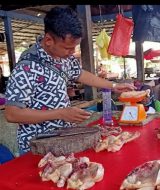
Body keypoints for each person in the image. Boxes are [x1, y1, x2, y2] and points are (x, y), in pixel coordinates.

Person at [4, 7, 135, 155]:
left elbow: (80, 74)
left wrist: (114, 86)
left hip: (64, 140)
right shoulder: (26, 68)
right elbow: (12, 113)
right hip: (37, 148)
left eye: (74, 47)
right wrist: (60, 113)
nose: (72, 52)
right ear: (48, 40)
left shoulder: (64, 58)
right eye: (68, 48)